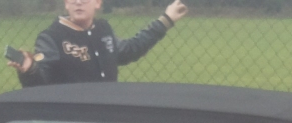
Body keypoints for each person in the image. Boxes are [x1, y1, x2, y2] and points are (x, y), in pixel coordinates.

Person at [10, 0, 187, 86]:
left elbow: (129, 50)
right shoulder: (51, 36)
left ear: (97, 3)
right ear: (66, 4)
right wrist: (30, 69)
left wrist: (165, 21)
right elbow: (41, 84)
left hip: (105, 117)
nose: (78, 2)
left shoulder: (103, 29)